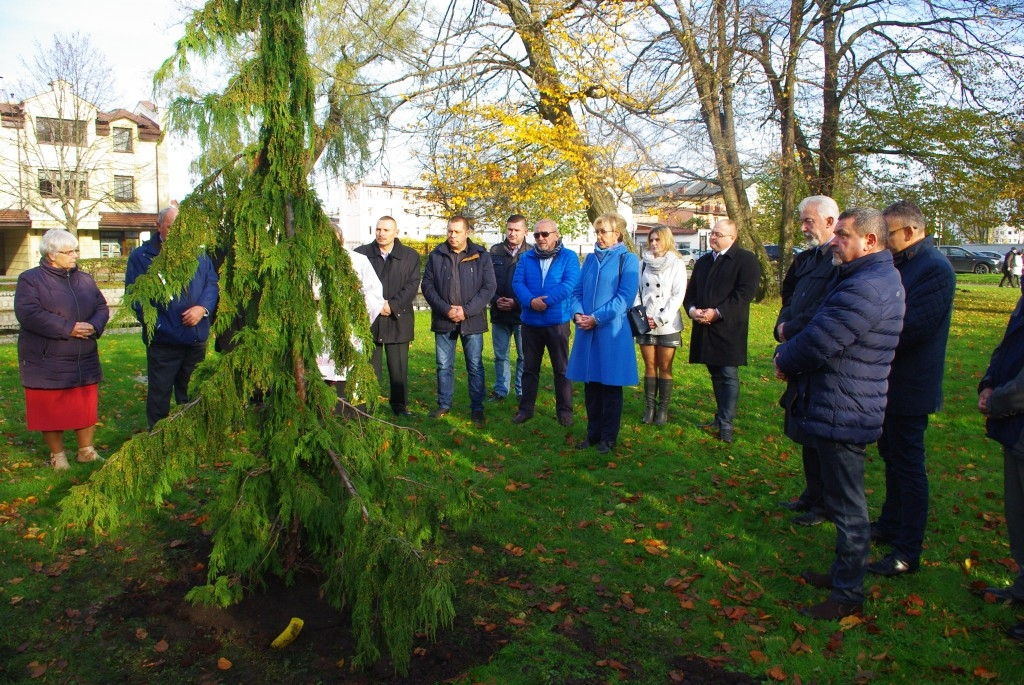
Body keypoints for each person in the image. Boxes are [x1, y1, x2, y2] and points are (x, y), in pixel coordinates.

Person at [774, 207, 905, 620]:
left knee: (849, 508)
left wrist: (784, 358)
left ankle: (848, 591)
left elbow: (820, 339)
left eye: (843, 235)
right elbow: (815, 323)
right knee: (840, 499)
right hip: (840, 401)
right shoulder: (861, 277)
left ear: (869, 241)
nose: (834, 240)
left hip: (845, 407)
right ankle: (841, 575)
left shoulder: (867, 285)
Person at [868, 200, 955, 577]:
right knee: (891, 457)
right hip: (888, 380)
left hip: (911, 384)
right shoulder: (900, 264)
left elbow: (913, 328)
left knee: (908, 466)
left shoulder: (934, 268)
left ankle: (907, 551)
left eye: (890, 232)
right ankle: (890, 525)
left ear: (911, 231)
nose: (884, 239)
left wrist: (866, 335)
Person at [15, 228, 109, 469]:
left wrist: (93, 326)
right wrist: (69, 328)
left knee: (84, 406)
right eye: (69, 252)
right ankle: (58, 456)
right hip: (47, 359)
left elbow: (101, 306)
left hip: (83, 355)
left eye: (76, 250)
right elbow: (29, 314)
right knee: (50, 409)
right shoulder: (30, 279)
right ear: (51, 255)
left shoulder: (85, 279)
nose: (75, 255)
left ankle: (86, 451)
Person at [776, 196, 841, 526]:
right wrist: (781, 326)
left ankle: (825, 504)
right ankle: (811, 494)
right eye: (801, 221)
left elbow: (823, 308)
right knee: (803, 427)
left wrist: (793, 329)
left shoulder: (838, 261)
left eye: (808, 221)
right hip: (797, 347)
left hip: (818, 355)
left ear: (830, 222)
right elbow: (790, 298)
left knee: (819, 434)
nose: (802, 228)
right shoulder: (806, 260)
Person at [125, 205, 220, 429]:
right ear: (159, 227)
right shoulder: (142, 257)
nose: (176, 234)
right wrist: (159, 326)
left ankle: (191, 436)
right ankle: (157, 439)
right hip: (164, 341)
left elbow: (211, 283)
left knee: (192, 392)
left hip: (196, 338)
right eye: (171, 227)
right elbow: (136, 298)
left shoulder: (199, 254)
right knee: (160, 394)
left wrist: (202, 309)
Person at [567, 213, 640, 454]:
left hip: (612, 333)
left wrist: (597, 318)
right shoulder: (589, 259)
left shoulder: (628, 260)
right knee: (591, 386)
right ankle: (593, 434)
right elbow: (576, 292)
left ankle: (609, 438)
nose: (599, 236)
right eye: (597, 232)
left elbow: (625, 298)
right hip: (587, 332)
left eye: (603, 232)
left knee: (610, 386)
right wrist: (577, 314)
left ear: (617, 234)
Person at [683, 219, 760, 443]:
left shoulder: (745, 260)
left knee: (727, 374)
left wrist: (718, 312)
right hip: (704, 327)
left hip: (729, 328)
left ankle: (726, 423)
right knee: (715, 373)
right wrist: (692, 310)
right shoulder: (704, 261)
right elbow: (691, 293)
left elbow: (744, 295)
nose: (713, 237)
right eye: (712, 233)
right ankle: (719, 417)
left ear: (732, 238)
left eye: (718, 234)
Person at [978, 293, 1024, 641]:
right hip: (1015, 430)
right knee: (1017, 513)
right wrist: (988, 383)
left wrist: (998, 401)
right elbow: (1006, 348)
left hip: (1015, 414)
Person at [421, 215, 496, 426]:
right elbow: (427, 286)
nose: (452, 236)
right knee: (443, 365)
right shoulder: (436, 255)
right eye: (449, 231)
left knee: (475, 365)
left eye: (457, 232)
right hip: (444, 320)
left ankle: (477, 408)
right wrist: (446, 310)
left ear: (467, 232)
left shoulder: (481, 255)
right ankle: (444, 404)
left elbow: (489, 287)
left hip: (472, 321)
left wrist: (466, 311)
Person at [511, 218, 581, 426]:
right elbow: (517, 282)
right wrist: (530, 301)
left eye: (545, 234)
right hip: (531, 322)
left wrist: (546, 301)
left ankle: (565, 411)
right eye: (537, 235)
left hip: (557, 320)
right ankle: (526, 409)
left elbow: (570, 283)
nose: (540, 238)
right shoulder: (526, 257)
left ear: (556, 235)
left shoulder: (569, 257)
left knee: (562, 369)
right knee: (529, 369)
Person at [355, 216, 422, 416]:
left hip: (398, 318)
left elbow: (412, 286)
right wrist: (376, 305)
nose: (381, 233)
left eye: (386, 230)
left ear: (396, 232)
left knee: (398, 367)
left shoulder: (410, 256)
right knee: (369, 367)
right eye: (378, 229)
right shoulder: (361, 254)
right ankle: (366, 404)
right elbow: (356, 284)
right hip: (370, 318)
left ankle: (400, 406)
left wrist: (391, 306)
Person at [316, 225, 385, 411]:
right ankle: (321, 410)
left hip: (349, 327)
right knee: (321, 373)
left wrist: (355, 303)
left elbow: (375, 294)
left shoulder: (358, 261)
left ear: (342, 240)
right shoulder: (313, 262)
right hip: (320, 327)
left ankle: (347, 411)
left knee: (348, 368)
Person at [635, 225, 687, 425]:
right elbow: (637, 291)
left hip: (667, 322)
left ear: (666, 240)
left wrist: (659, 318)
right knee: (649, 365)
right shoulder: (643, 263)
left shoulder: (677, 264)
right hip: (646, 321)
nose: (654, 244)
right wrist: (641, 315)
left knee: (664, 366)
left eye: (658, 239)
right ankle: (649, 408)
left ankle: (663, 411)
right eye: (651, 240)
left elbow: (678, 295)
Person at [488, 214, 530, 404]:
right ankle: (501, 390)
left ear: (525, 232)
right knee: (500, 355)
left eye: (516, 230)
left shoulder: (532, 253)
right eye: (509, 229)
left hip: (523, 314)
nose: (512, 233)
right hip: (499, 312)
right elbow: (487, 281)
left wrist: (516, 302)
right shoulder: (495, 251)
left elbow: (534, 285)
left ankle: (521, 391)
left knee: (524, 356)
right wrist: (495, 300)